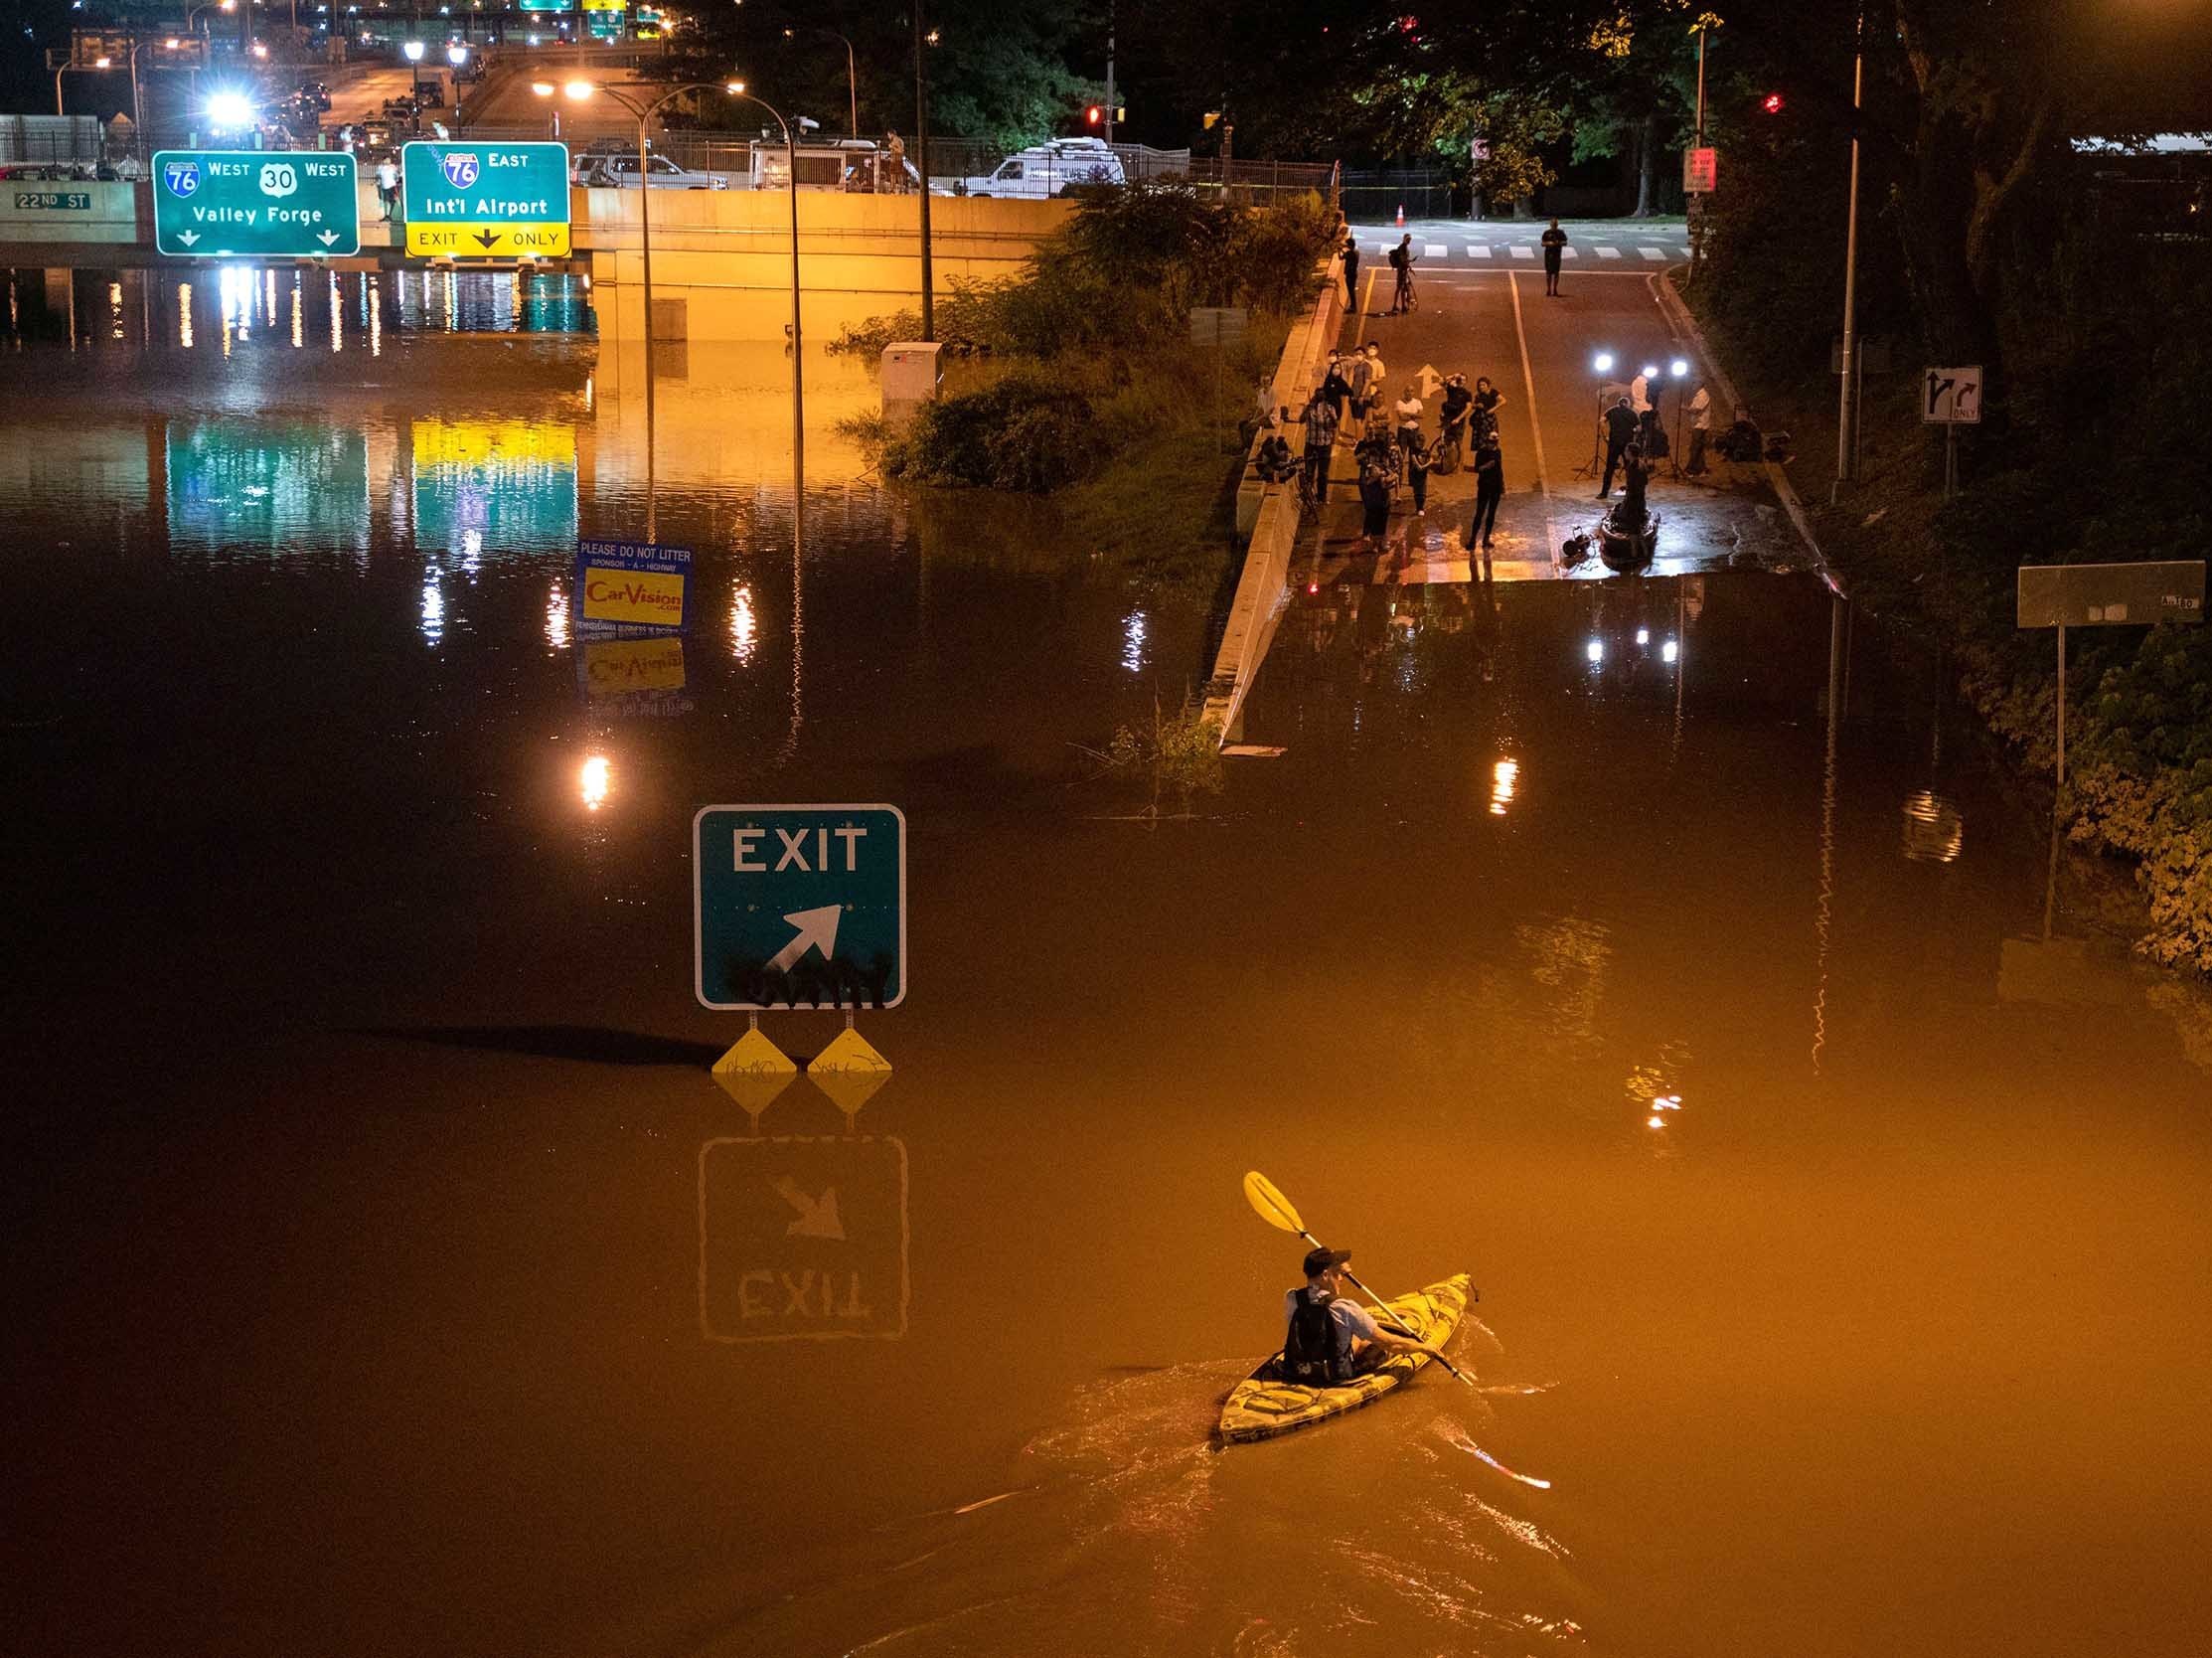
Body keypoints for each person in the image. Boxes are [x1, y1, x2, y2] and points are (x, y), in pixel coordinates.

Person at [1281, 1247, 1450, 1386]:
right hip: (1334, 1375)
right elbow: (1391, 1344)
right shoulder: (1345, 1308)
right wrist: (1424, 1347)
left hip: (1297, 1369)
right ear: (1325, 1275)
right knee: (1375, 1344)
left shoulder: (1292, 1297)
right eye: (1337, 1273)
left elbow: (1316, 1320)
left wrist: (1337, 1268)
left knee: (1353, 1335)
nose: (1341, 1278)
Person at [1354, 427, 1398, 547]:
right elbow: (1359, 461)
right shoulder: (1369, 451)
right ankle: (1370, 537)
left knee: (1383, 513)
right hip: (1371, 488)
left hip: (1384, 488)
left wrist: (1386, 475)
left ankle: (1380, 540)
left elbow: (1395, 471)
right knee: (1372, 511)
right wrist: (1371, 468)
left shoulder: (1391, 454)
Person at [1300, 391, 1340, 503]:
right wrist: (1309, 408)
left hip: (1324, 445)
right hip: (1311, 444)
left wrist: (1329, 412)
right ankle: (1309, 496)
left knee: (1323, 473)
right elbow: (1301, 420)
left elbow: (1335, 424)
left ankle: (1322, 497)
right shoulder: (1309, 408)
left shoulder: (1330, 408)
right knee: (1309, 472)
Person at [1470, 428, 1505, 551]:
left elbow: (1500, 470)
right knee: (1479, 513)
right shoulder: (1481, 453)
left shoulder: (1498, 452)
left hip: (1495, 487)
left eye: (1495, 443)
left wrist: (1502, 486)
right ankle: (1472, 539)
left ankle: (1486, 539)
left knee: (1491, 514)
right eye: (1491, 442)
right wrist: (1486, 466)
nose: (1493, 445)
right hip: (1484, 487)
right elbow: (1476, 469)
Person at [1598, 395, 1638, 498]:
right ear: (1627, 404)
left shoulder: (1612, 410)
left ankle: (1604, 493)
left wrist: (1604, 436)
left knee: (1609, 469)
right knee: (1629, 469)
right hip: (1627, 446)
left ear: (1618, 403)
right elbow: (1638, 428)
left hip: (1614, 443)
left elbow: (1601, 421)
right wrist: (1633, 432)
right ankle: (1631, 492)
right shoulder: (1632, 413)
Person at [1617, 442, 1652, 526]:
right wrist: (1627, 487)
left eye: (1626, 450)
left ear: (1630, 452)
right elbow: (1644, 482)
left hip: (1633, 504)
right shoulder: (1642, 463)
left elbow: (1633, 491)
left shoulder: (1633, 468)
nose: (1624, 452)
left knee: (1618, 516)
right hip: (1641, 501)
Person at [1685, 383, 1712, 476]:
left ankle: (1691, 470)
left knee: (1695, 448)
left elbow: (1696, 410)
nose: (1692, 386)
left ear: (1698, 385)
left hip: (1700, 426)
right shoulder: (1699, 395)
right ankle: (1701, 470)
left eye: (1693, 384)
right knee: (1699, 448)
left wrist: (1685, 408)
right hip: (1698, 425)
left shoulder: (1703, 395)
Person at [1404, 428, 1434, 516]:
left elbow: (1431, 459)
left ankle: (1421, 508)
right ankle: (1418, 508)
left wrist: (1426, 465)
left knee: (1423, 491)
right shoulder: (1413, 451)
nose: (1421, 443)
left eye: (1422, 442)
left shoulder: (1426, 451)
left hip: (1423, 474)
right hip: (1415, 474)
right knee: (1417, 491)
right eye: (1419, 441)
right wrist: (1427, 465)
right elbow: (1417, 465)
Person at [1387, 234, 1417, 315]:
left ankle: (1401, 305)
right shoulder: (1403, 248)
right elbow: (1403, 260)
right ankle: (1397, 306)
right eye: (1408, 239)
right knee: (1400, 288)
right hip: (1402, 271)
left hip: (1403, 270)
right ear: (1404, 239)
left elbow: (1404, 260)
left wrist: (1409, 265)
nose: (1409, 241)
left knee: (1402, 289)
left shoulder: (1404, 247)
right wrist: (1410, 263)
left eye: (1410, 239)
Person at [1393, 382, 1423, 455]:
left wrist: (1408, 413)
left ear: (1414, 392)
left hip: (1415, 431)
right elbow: (1402, 417)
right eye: (1408, 391)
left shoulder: (1417, 402)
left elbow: (1421, 415)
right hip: (1403, 431)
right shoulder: (1399, 402)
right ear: (1404, 392)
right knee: (1402, 453)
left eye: (1411, 391)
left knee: (1414, 453)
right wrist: (1415, 416)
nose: (1409, 393)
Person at [1540, 218, 1567, 296]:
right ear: (1550, 224)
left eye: (1555, 224)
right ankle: (1548, 289)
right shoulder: (1546, 233)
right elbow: (1542, 243)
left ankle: (1555, 289)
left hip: (1557, 255)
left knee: (1556, 273)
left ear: (1557, 225)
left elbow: (1565, 242)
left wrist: (1558, 243)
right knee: (1548, 273)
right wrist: (1549, 243)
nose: (1554, 226)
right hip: (1548, 255)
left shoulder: (1560, 233)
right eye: (1553, 224)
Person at [376, 155, 399, 222]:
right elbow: (378, 176)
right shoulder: (380, 167)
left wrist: (397, 178)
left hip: (392, 186)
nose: (389, 161)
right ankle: (386, 216)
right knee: (385, 201)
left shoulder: (393, 166)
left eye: (389, 160)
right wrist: (377, 182)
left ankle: (390, 215)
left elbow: (397, 175)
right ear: (383, 160)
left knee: (393, 201)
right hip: (384, 187)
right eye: (387, 160)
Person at [1342, 235, 1361, 308]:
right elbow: (1347, 256)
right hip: (1354, 273)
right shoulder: (1356, 252)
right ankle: (1353, 306)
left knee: (1350, 291)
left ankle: (1353, 307)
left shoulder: (1349, 253)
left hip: (1349, 274)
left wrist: (1339, 251)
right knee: (1352, 291)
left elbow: (1341, 258)